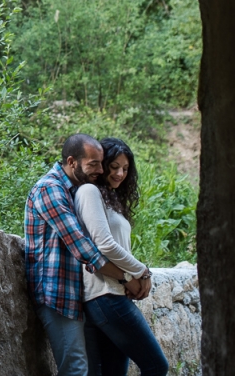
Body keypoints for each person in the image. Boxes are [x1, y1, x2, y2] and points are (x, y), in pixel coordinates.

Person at [25, 133, 148, 376]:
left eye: (101, 163)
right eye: (94, 164)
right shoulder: (50, 189)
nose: (100, 170)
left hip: (75, 295)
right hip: (56, 293)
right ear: (72, 162)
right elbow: (87, 250)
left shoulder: (72, 190)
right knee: (76, 370)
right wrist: (128, 277)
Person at [74, 137, 168, 376]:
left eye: (125, 169)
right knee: (157, 366)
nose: (119, 174)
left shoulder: (109, 198)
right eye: (114, 166)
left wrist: (131, 277)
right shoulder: (89, 191)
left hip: (111, 294)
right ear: (101, 164)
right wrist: (141, 271)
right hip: (105, 295)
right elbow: (104, 244)